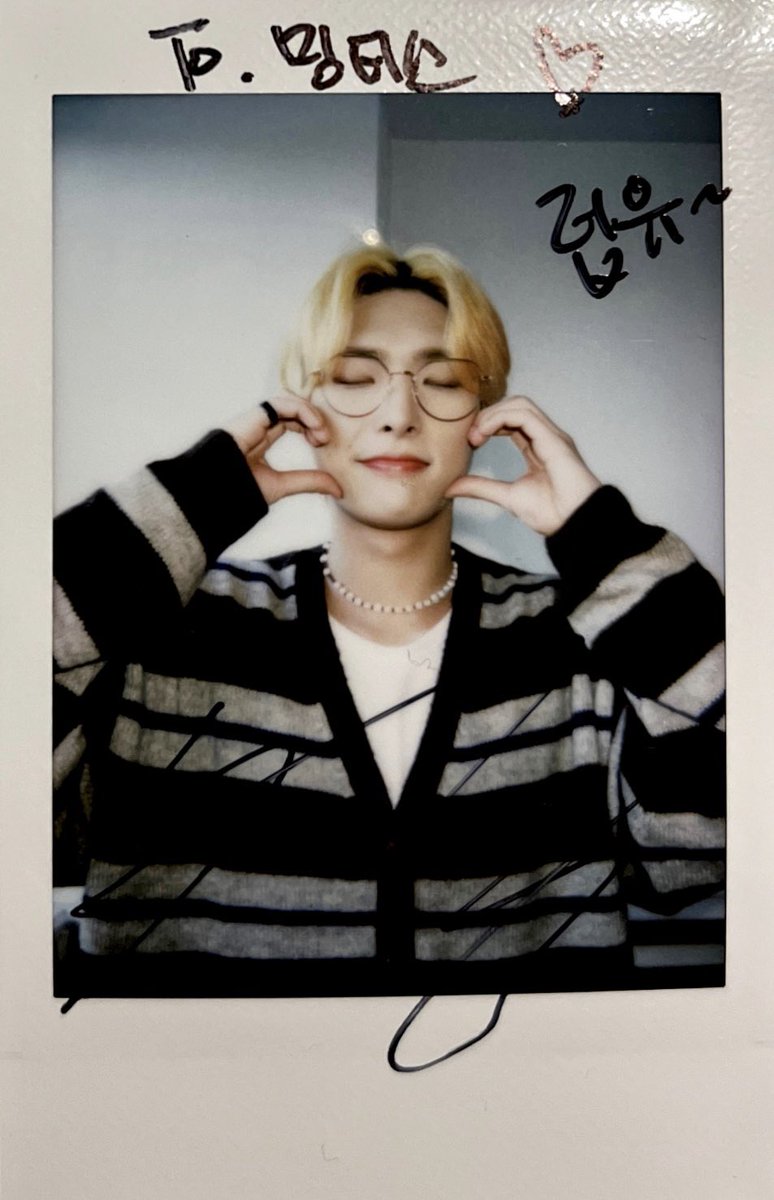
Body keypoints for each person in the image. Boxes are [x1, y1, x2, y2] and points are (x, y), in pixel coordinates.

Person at [53, 244, 725, 999]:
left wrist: (604, 539)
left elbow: (699, 852)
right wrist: (191, 501)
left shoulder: (582, 641)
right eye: (353, 379)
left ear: (485, 418)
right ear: (305, 408)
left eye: (443, 382)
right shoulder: (168, 633)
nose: (400, 415)